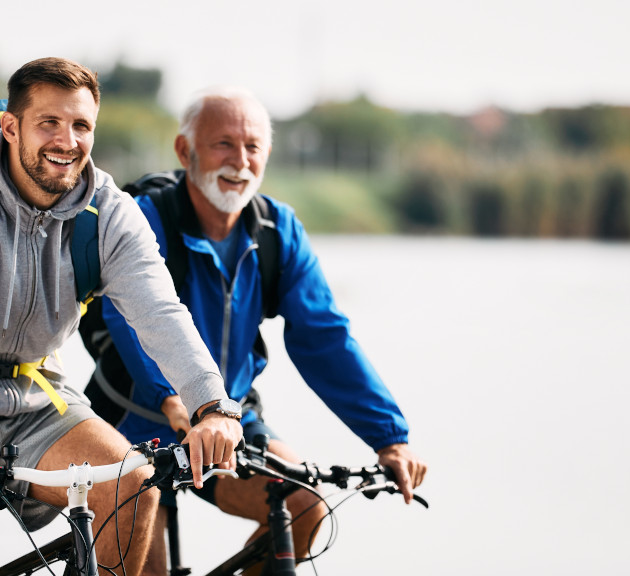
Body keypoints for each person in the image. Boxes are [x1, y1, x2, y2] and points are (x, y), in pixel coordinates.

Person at [0, 57, 242, 576]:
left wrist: (213, 405)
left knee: (131, 481)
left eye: (81, 125)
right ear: (11, 127)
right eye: (49, 122)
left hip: (38, 398)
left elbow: (160, 312)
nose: (67, 141)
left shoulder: (109, 212)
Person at [82, 87, 427, 574]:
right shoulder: (145, 217)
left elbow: (325, 338)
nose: (240, 161)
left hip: (228, 422)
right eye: (223, 144)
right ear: (186, 151)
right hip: (135, 419)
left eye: (253, 147)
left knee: (306, 505)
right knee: (141, 564)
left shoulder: (277, 231)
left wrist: (389, 438)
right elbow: (128, 318)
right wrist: (174, 400)